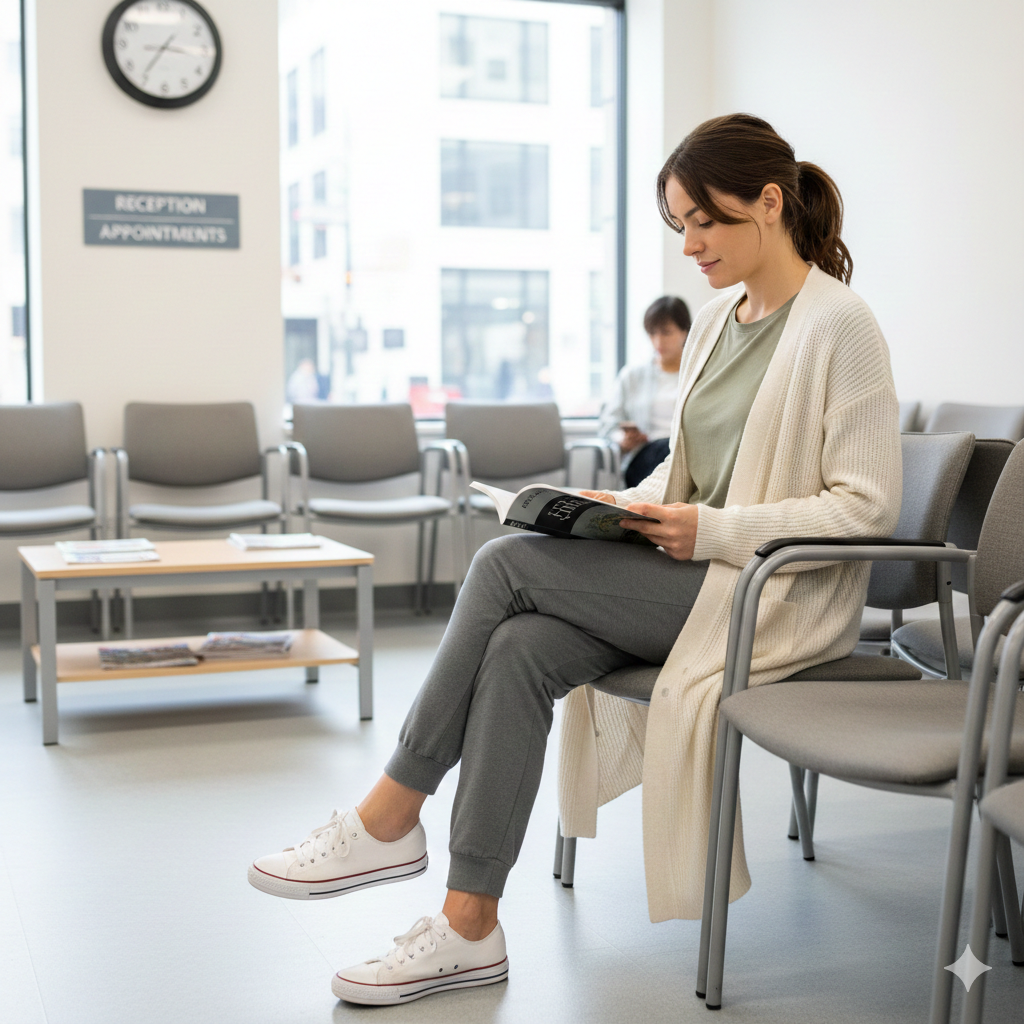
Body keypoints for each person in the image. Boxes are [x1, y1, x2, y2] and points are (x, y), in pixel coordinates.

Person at [247, 113, 901, 1005]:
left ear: (769, 203)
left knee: (503, 566)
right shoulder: (716, 321)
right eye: (680, 225)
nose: (690, 246)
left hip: (765, 596)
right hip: (688, 576)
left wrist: (710, 531)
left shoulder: (840, 325)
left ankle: (392, 810)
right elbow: (693, 469)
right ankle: (469, 926)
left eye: (704, 221)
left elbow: (866, 508)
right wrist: (628, 505)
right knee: (521, 649)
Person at [598, 295, 691, 487]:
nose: (658, 341)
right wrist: (623, 440)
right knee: (668, 451)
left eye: (666, 333)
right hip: (645, 458)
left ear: (685, 331)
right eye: (652, 333)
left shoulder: (699, 374)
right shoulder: (632, 376)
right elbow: (608, 424)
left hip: (687, 454)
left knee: (680, 452)